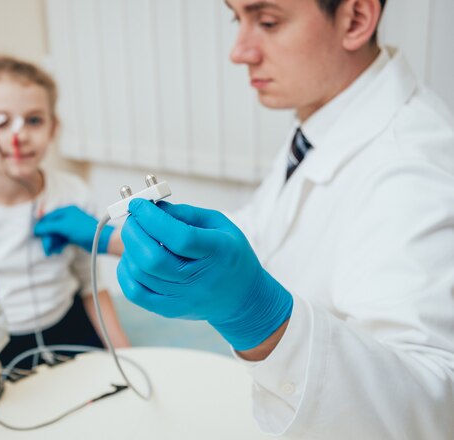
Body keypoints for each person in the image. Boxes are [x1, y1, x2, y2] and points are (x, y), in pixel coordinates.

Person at [33, 0, 454, 438]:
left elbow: (429, 408)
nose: (239, 51)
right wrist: (107, 238)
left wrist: (262, 320)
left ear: (355, 20)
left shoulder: (412, 167)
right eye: (239, 19)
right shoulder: (324, 121)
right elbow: (266, 228)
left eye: (267, 21)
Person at [0, 54, 130, 389]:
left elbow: (91, 284)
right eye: (1, 122)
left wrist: (127, 356)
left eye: (34, 120)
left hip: (65, 321)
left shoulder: (71, 192)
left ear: (53, 128)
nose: (20, 135)